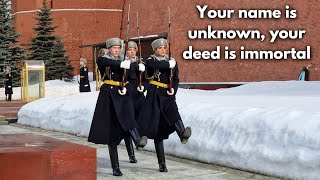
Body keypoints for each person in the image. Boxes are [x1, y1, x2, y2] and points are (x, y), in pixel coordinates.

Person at [88, 37, 147, 176]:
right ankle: (115, 167)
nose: (117, 50)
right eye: (114, 48)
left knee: (129, 117)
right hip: (108, 95)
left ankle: (137, 140)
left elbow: (134, 73)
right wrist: (121, 64)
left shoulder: (124, 61)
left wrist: (139, 67)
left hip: (123, 94)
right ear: (109, 49)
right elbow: (105, 62)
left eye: (118, 48)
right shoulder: (103, 59)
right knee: (112, 133)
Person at [139, 38, 191, 172]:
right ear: (155, 50)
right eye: (160, 48)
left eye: (164, 48)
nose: (163, 50)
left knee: (174, 112)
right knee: (158, 132)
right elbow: (154, 67)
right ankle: (162, 163)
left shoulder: (172, 62)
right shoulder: (150, 61)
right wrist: (168, 65)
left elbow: (176, 78)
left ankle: (182, 133)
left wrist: (173, 89)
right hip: (154, 95)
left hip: (167, 94)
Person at [123, 41, 146, 163]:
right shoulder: (123, 63)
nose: (132, 51)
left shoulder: (141, 63)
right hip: (127, 95)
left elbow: (147, 79)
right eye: (129, 49)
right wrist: (134, 67)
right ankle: (131, 154)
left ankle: (139, 140)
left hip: (139, 95)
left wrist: (144, 87)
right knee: (129, 124)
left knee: (140, 120)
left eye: (134, 49)